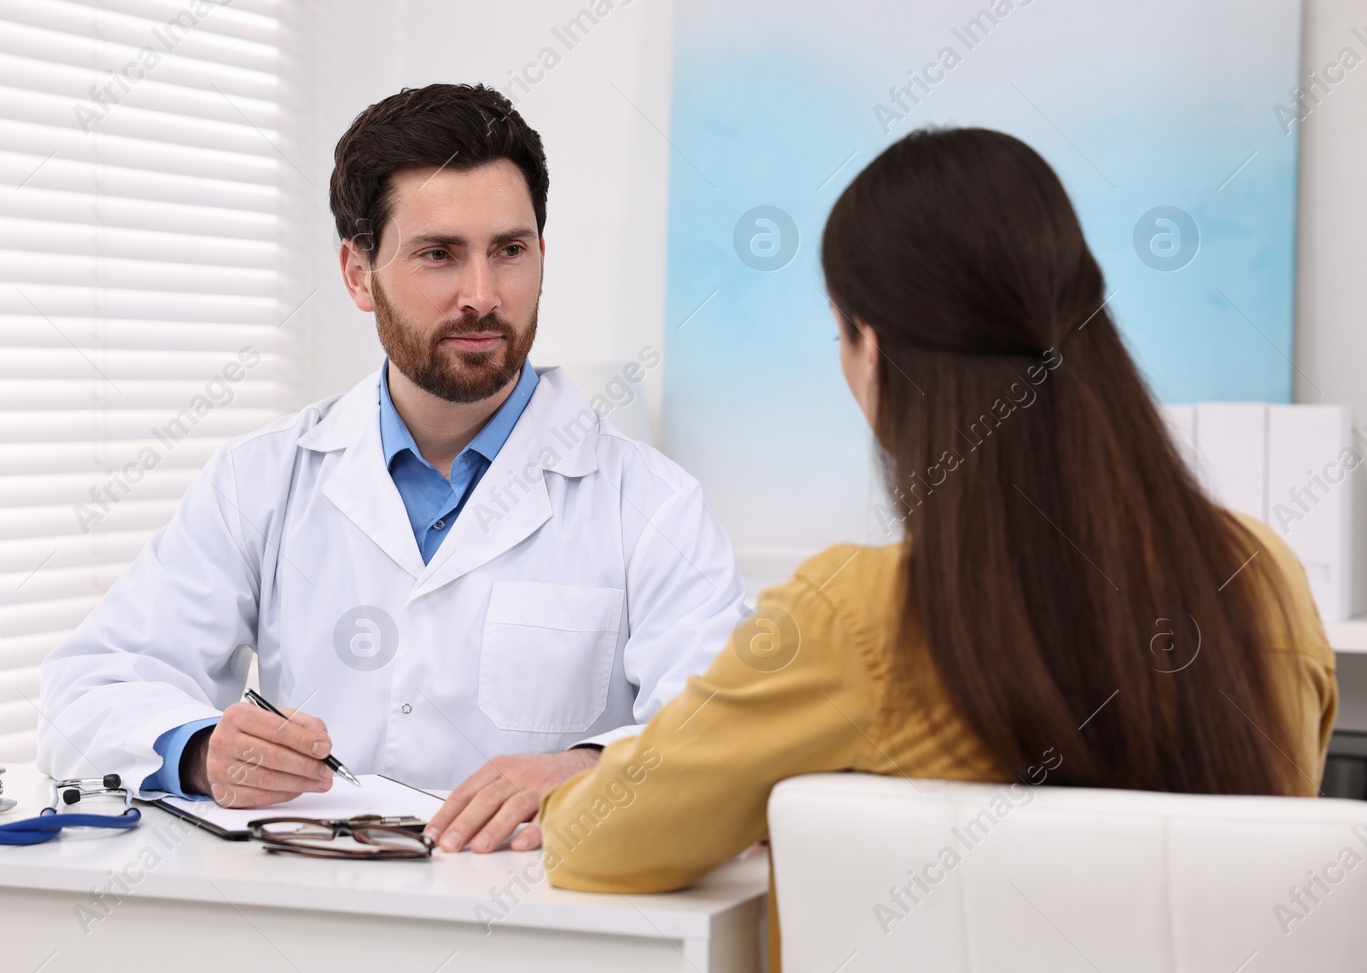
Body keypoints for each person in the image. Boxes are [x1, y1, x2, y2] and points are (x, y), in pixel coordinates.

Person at [538, 127, 1337, 964]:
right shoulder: (1266, 576)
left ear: (870, 346)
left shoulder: (856, 615)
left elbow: (599, 844)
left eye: (840, 335)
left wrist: (602, 786)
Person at [37, 84, 747, 855]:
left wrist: (585, 766)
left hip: (540, 933)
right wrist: (203, 752)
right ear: (356, 272)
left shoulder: (651, 504)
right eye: (439, 254)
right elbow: (85, 692)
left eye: (509, 250)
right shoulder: (263, 480)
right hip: (315, 918)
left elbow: (725, 734)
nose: (483, 295)